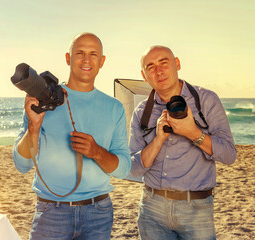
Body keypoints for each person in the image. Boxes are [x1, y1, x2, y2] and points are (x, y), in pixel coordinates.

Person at [12, 32, 131, 240]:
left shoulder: (115, 108)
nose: (86, 60)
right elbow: (22, 165)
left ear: (102, 61)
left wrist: (96, 152)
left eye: (93, 54)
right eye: (79, 53)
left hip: (98, 214)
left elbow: (123, 169)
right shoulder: (41, 101)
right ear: (68, 58)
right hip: (51, 214)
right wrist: (34, 126)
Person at [129, 45, 237, 240]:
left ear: (177, 64)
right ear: (144, 76)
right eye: (151, 67)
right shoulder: (142, 111)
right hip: (152, 209)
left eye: (164, 63)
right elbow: (133, 169)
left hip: (197, 209)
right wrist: (158, 140)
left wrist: (194, 133)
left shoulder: (206, 100)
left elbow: (229, 155)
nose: (159, 71)